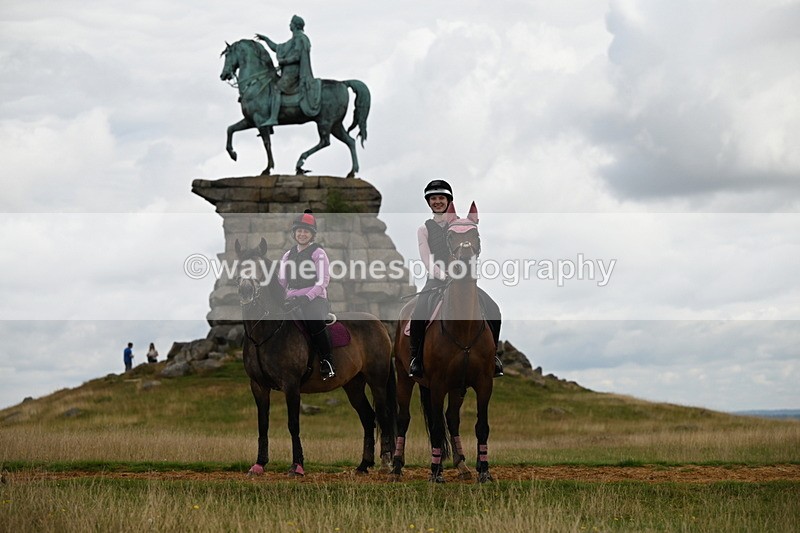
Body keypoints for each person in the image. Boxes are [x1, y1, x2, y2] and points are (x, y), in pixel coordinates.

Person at [408, 179, 504, 378]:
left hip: (463, 280)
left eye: (441, 198)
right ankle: (416, 358)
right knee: (419, 311)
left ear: (448, 200)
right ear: (428, 201)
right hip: (436, 279)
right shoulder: (424, 229)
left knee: (493, 309)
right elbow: (427, 260)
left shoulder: (462, 224)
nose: (437, 201)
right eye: (433, 198)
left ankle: (492, 357)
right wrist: (444, 276)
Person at [278, 209, 336, 380]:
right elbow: (282, 281)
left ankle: (327, 361)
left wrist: (306, 298)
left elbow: (323, 281)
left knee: (314, 321)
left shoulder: (318, 253)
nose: (302, 234)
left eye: (306, 231)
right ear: (294, 233)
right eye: (299, 231)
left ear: (312, 235)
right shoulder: (287, 255)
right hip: (292, 299)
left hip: (315, 299)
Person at [255, 14, 321, 125]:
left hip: (294, 73)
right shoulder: (293, 40)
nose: (289, 24)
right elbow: (277, 48)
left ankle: (273, 118)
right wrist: (266, 39)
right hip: (287, 73)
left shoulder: (301, 39)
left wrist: (284, 61)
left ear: (295, 25)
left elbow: (297, 56)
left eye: (291, 23)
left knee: (277, 89)